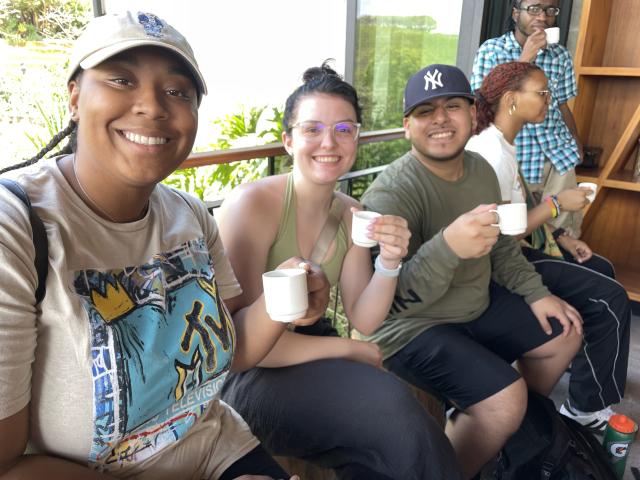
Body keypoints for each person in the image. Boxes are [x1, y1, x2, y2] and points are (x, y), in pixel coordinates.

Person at [0, 11, 332, 480]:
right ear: (74, 97)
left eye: (177, 91)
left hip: (219, 450)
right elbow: (7, 464)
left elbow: (227, 347)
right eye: (120, 79)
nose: (153, 106)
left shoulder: (190, 214)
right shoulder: (16, 227)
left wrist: (284, 305)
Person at [218, 62, 462, 480]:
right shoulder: (251, 206)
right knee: (393, 416)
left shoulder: (352, 213)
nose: (329, 142)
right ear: (288, 141)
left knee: (398, 426)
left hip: (308, 351)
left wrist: (389, 261)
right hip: (248, 375)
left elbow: (363, 316)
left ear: (357, 139)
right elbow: (236, 350)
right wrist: (349, 349)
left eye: (344, 129)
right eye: (312, 129)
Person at [360, 63, 583, 479]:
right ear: (407, 126)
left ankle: (501, 435)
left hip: (475, 304)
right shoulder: (391, 192)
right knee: (505, 400)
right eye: (426, 111)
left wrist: (537, 293)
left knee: (564, 332)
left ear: (473, 113)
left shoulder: (480, 170)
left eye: (453, 106)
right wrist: (446, 247)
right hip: (411, 328)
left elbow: (499, 245)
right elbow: (390, 304)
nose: (441, 119)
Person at [466, 60, 631, 432]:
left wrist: (562, 236)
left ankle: (585, 372)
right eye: (541, 93)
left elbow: (520, 208)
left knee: (600, 269)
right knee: (611, 297)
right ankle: (585, 409)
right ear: (511, 100)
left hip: (516, 249)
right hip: (501, 263)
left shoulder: (503, 145)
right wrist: (559, 205)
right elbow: (505, 231)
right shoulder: (489, 152)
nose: (548, 100)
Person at [471, 0, 584, 237]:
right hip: (518, 157)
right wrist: (526, 57)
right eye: (534, 8)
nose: (542, 17)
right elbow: (483, 104)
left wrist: (576, 142)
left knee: (564, 234)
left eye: (550, 10)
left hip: (558, 157)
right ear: (515, 13)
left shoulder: (561, 56)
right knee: (520, 233)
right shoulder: (491, 51)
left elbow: (563, 105)